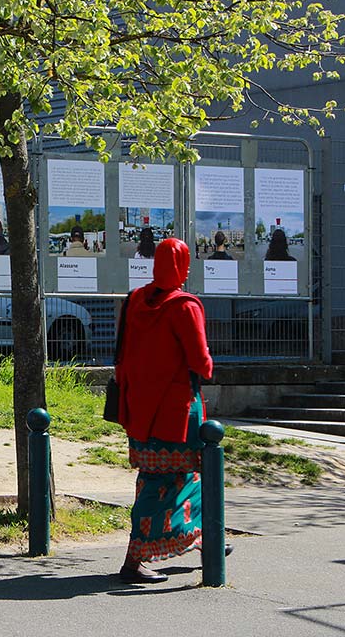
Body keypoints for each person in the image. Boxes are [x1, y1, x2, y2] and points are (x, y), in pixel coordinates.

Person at [113, 237, 215, 584]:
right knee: (170, 480)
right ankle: (135, 559)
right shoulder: (185, 306)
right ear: (184, 265)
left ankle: (199, 538)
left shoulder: (135, 300)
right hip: (176, 411)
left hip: (139, 409)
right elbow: (200, 362)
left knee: (166, 478)